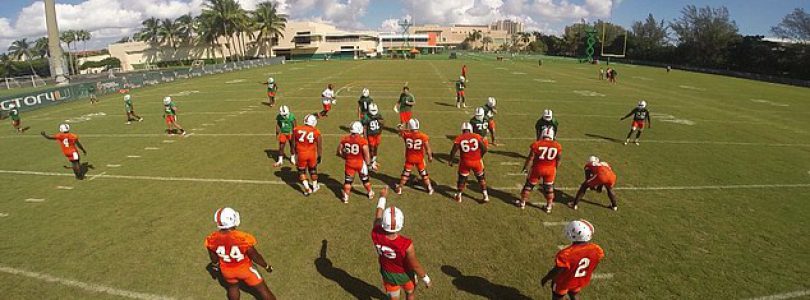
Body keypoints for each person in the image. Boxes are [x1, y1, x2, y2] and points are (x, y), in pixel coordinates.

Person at [371, 187, 432, 300]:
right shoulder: (406, 244)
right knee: (410, 293)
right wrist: (425, 278)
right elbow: (415, 265)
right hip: (405, 274)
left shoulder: (375, 233)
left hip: (388, 273)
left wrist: (382, 197)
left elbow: (377, 217)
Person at [205, 207, 277, 300]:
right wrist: (266, 266)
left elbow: (213, 257)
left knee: (232, 288)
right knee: (263, 290)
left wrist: (215, 267)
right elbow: (254, 255)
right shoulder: (242, 237)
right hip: (245, 269)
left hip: (227, 270)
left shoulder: (211, 238)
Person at [540, 219, 605, 300]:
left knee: (557, 297)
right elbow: (594, 265)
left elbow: (557, 271)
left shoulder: (566, 254)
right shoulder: (597, 249)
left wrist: (547, 278)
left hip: (564, 282)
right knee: (574, 294)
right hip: (580, 280)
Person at [520, 128, 561, 213]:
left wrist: (525, 167)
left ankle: (522, 203)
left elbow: (531, 157)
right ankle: (549, 206)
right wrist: (555, 168)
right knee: (549, 188)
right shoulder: (557, 145)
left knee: (529, 186)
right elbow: (558, 159)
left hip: (537, 168)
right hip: (550, 169)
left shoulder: (537, 144)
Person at [448, 122, 489, 202]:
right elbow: (484, 148)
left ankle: (459, 196)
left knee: (462, 179)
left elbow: (453, 151)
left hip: (465, 162)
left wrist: (451, 160)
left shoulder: (459, 138)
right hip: (477, 161)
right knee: (481, 178)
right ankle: (485, 195)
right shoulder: (476, 136)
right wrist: (480, 155)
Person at [337, 121, 374, 203]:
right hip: (360, 163)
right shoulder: (362, 140)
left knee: (348, 181)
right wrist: (369, 164)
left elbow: (339, 151)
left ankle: (346, 197)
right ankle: (370, 193)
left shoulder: (345, 139)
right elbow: (366, 154)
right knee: (365, 180)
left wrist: (345, 157)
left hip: (349, 163)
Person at [394, 119, 433, 195]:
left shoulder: (406, 135)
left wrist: (400, 128)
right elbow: (428, 148)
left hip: (410, 158)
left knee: (405, 174)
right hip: (419, 159)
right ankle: (430, 188)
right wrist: (430, 156)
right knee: (423, 174)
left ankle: (400, 188)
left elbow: (399, 133)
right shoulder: (423, 136)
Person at [291, 114, 322, 196]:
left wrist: (293, 154)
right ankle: (315, 186)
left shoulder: (296, 129)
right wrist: (319, 155)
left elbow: (293, 144)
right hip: (311, 154)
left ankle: (307, 188)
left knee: (301, 171)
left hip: (301, 154)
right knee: (313, 170)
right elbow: (319, 145)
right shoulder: (316, 131)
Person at [361, 103, 384, 169]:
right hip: (370, 135)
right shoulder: (366, 117)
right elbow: (364, 127)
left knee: (376, 148)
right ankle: (370, 163)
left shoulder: (378, 115)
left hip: (377, 134)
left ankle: (373, 161)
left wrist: (380, 129)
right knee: (371, 148)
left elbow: (382, 123)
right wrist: (365, 137)